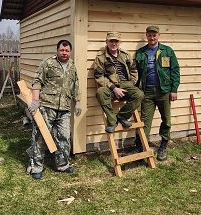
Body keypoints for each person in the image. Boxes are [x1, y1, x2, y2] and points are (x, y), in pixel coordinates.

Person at [26, 39, 82, 179]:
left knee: (64, 137)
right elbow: (38, 81)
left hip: (65, 108)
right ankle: (36, 166)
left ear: (70, 52)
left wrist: (78, 102)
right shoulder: (48, 63)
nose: (64, 53)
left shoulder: (72, 66)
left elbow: (75, 85)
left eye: (67, 50)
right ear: (57, 51)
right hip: (47, 106)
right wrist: (35, 100)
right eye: (62, 50)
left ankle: (62, 164)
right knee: (40, 136)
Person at [135, 25, 180, 161]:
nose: (152, 37)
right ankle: (141, 146)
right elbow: (134, 72)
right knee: (144, 122)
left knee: (166, 120)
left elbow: (175, 71)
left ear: (158, 36)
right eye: (149, 35)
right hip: (147, 92)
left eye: (154, 35)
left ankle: (163, 145)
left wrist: (174, 89)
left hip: (164, 91)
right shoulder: (141, 52)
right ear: (146, 36)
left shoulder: (167, 51)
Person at [94, 31, 144, 133]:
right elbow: (99, 76)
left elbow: (133, 70)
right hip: (111, 87)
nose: (113, 44)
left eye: (116, 41)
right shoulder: (100, 57)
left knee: (139, 94)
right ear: (106, 41)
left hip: (127, 84)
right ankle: (112, 121)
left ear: (119, 42)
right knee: (100, 92)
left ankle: (122, 116)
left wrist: (132, 83)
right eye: (111, 41)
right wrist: (114, 88)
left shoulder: (126, 55)